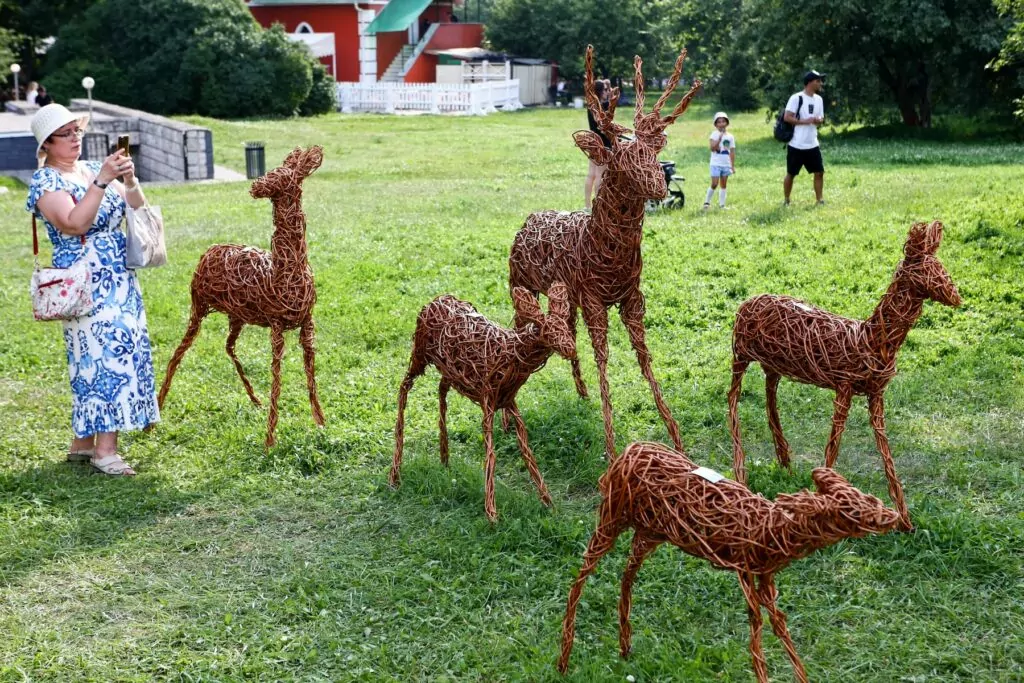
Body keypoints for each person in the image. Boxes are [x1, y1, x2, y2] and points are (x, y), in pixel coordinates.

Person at [26, 103, 160, 476]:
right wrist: (100, 181)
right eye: (65, 134)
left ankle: (83, 444)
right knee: (101, 359)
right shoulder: (46, 181)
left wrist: (129, 180)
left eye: (77, 131)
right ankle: (106, 451)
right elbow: (72, 223)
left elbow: (135, 206)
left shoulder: (86, 169)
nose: (75, 139)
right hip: (85, 280)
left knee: (116, 351)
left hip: (118, 276)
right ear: (47, 144)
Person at [783, 71, 826, 206]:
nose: (820, 84)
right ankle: (786, 200)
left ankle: (819, 200)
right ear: (810, 82)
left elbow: (821, 118)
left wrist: (819, 120)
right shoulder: (796, 98)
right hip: (796, 144)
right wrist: (805, 121)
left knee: (819, 172)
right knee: (791, 173)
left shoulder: (819, 99)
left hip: (812, 143)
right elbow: (787, 117)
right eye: (818, 81)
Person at [584, 79, 612, 211]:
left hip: (593, 141)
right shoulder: (602, 107)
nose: (607, 92)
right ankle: (598, 206)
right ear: (600, 92)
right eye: (606, 90)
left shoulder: (591, 105)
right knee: (600, 174)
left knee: (591, 174)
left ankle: (587, 205)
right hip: (603, 142)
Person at [703, 111, 736, 210]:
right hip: (716, 163)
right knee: (714, 183)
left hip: (725, 163)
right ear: (716, 124)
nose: (721, 124)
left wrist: (732, 166)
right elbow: (712, 148)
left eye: (723, 121)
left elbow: (732, 151)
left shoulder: (730, 136)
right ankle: (707, 202)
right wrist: (719, 138)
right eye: (719, 122)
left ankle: (722, 205)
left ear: (726, 123)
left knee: (723, 184)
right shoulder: (714, 134)